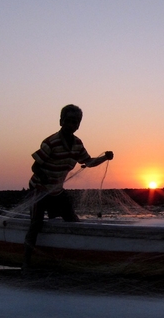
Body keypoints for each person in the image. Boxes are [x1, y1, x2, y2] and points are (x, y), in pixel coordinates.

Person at [24, 104, 113, 268]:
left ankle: (75, 255)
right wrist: (44, 177)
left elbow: (88, 162)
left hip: (57, 191)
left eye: (75, 122)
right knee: (36, 224)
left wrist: (104, 158)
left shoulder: (77, 144)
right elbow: (35, 167)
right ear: (61, 121)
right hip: (39, 189)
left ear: (79, 124)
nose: (71, 125)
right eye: (68, 121)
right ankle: (26, 263)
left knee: (72, 220)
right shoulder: (51, 142)